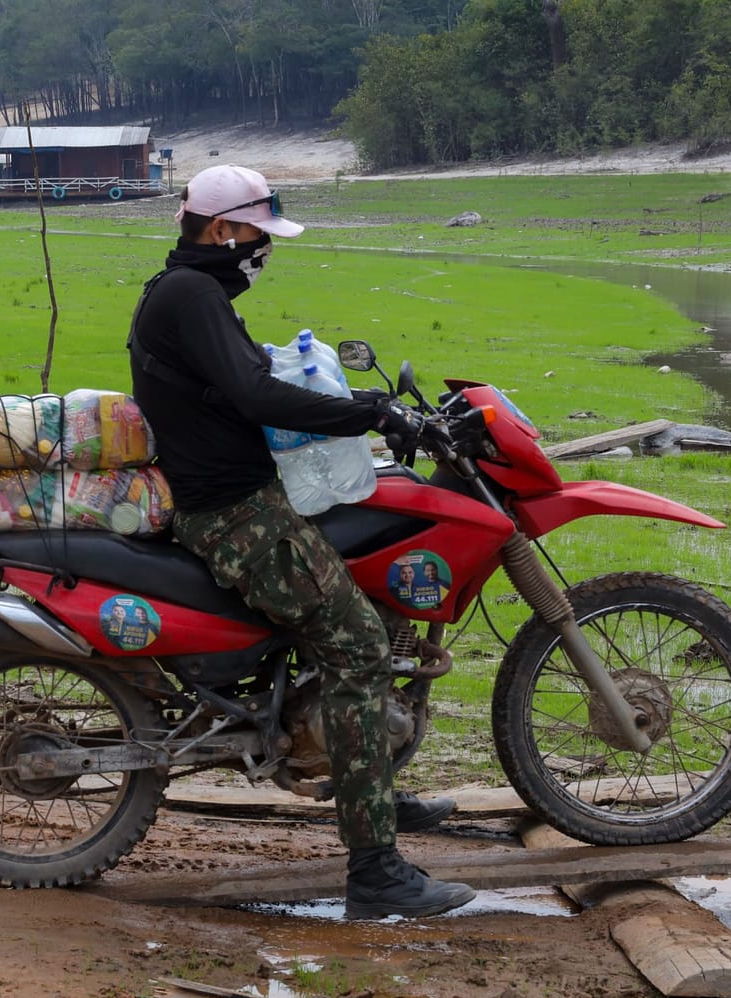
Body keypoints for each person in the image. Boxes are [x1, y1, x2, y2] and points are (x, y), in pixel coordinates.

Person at [126, 164, 475, 920]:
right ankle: (376, 872)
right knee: (357, 647)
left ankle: (367, 781)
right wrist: (369, 414)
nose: (265, 251)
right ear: (222, 230)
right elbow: (256, 396)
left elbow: (250, 386)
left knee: (376, 604)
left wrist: (358, 411)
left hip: (246, 494)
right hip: (235, 514)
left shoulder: (192, 293)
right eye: (258, 235)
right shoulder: (192, 295)